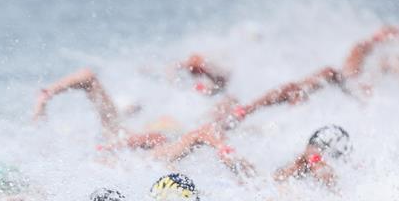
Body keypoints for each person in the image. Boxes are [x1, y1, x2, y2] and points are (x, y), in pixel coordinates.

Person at [32, 67, 255, 177]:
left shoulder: (134, 151)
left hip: (122, 144)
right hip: (129, 145)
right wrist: (226, 152)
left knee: (90, 81)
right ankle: (46, 95)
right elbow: (202, 133)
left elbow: (87, 75)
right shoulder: (154, 155)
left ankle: (46, 94)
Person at [274, 125, 351, 189]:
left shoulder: (336, 180)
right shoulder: (297, 165)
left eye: (316, 159)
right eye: (308, 157)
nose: (311, 163)